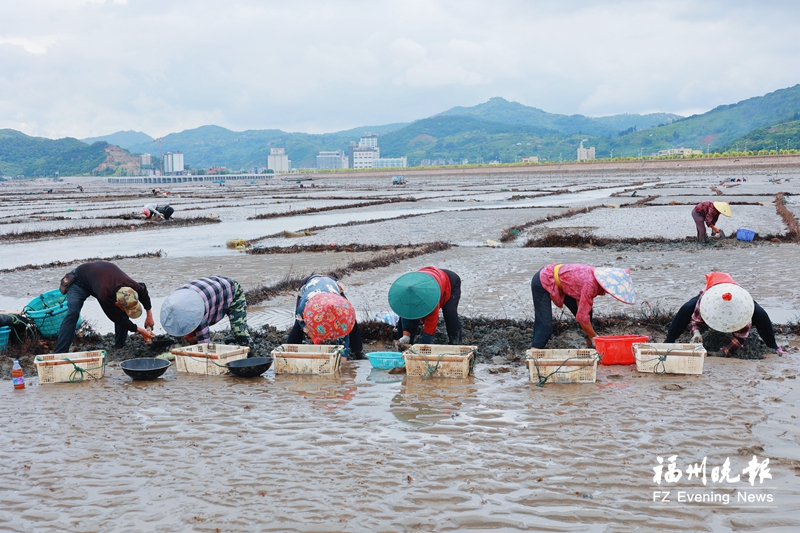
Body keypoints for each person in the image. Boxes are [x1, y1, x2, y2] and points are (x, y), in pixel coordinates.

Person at [664, 272, 786, 357]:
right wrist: (696, 332)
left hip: (736, 296)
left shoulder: (743, 309)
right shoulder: (706, 300)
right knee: (686, 308)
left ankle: (773, 345)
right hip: (715, 290)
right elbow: (696, 321)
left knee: (761, 314)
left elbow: (740, 337)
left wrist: (723, 352)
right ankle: (668, 341)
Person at [55, 261, 154, 353]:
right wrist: (141, 331)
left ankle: (120, 346)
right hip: (79, 282)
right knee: (73, 313)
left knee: (124, 310)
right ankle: (59, 352)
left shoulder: (132, 286)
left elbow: (143, 292)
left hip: (98, 279)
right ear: (116, 303)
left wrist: (149, 315)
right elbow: (117, 318)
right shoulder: (104, 295)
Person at [530, 264, 636, 349]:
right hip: (544, 279)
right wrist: (596, 338)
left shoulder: (596, 276)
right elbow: (581, 318)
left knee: (587, 313)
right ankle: (533, 355)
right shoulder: (591, 284)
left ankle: (590, 346)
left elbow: (581, 304)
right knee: (545, 327)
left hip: (562, 281)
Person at [160, 276, 252, 351]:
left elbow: (205, 346)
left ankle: (253, 355)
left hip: (231, 290)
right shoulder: (175, 301)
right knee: (191, 333)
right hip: (210, 292)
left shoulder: (199, 311)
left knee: (239, 332)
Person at [287, 275, 362, 359]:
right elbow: (299, 318)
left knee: (350, 320)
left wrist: (343, 355)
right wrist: (313, 336)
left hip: (331, 284)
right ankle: (290, 353)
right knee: (298, 324)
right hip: (309, 283)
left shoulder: (342, 306)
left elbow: (345, 331)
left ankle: (358, 351)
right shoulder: (305, 302)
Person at [388, 266, 462, 345]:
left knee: (450, 312)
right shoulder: (407, 296)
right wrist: (406, 335)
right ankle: (404, 343)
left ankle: (456, 343)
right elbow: (407, 315)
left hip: (449, 280)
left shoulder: (430, 301)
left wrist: (424, 346)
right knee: (408, 315)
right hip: (425, 277)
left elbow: (430, 327)